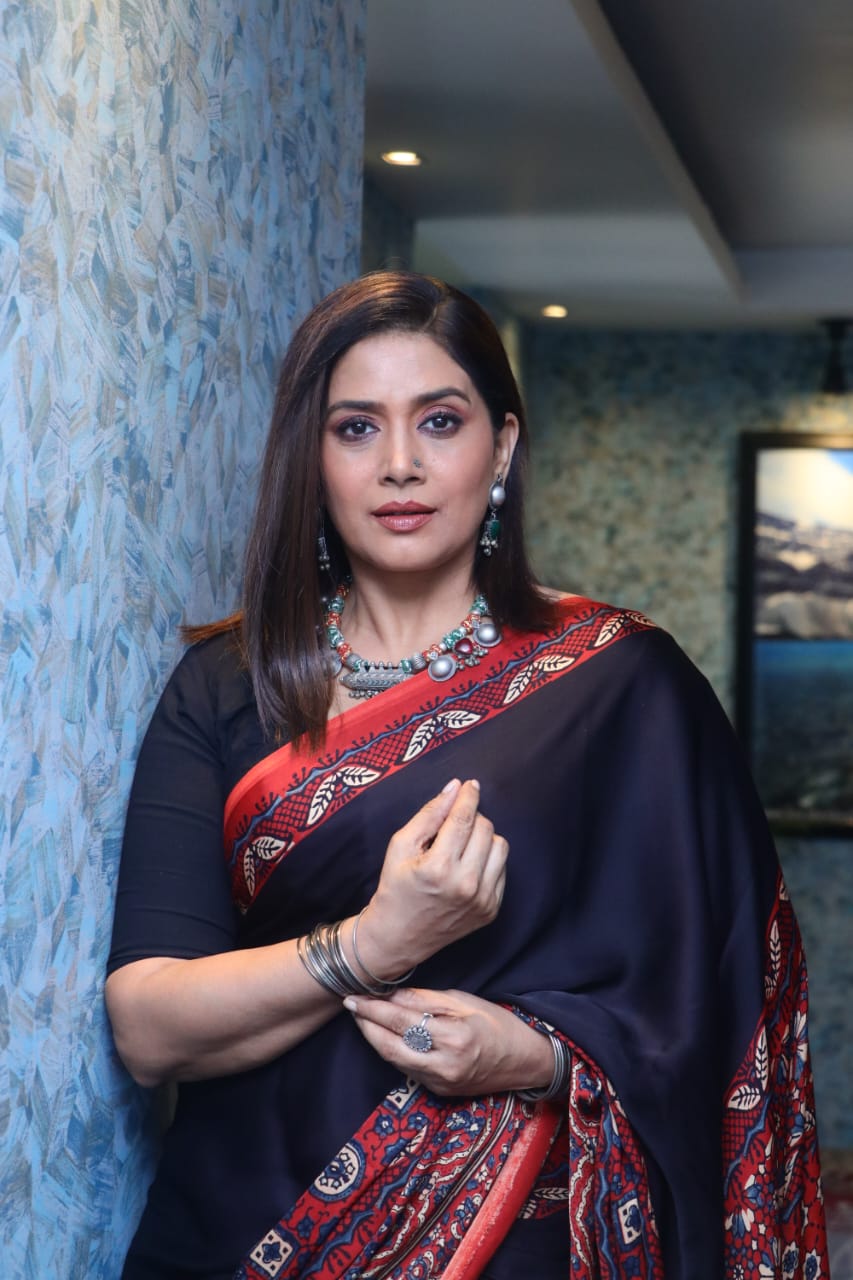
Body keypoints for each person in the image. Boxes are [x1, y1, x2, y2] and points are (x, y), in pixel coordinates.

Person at [106, 271, 827, 1280]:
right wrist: (368, 944)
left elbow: (721, 1007)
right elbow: (148, 1024)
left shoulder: (622, 686)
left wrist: (535, 1056)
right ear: (310, 460)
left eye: (438, 421)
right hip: (240, 1231)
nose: (399, 463)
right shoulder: (224, 689)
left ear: (502, 446)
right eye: (355, 428)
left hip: (514, 1239)